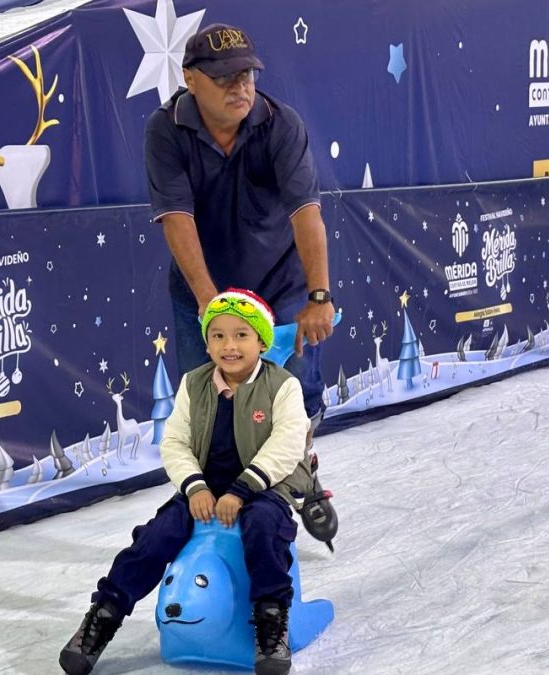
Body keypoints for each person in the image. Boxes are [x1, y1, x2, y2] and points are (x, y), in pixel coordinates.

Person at [143, 23, 337, 545]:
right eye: (225, 77)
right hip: (203, 294)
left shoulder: (280, 124)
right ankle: (210, 517)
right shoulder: (166, 129)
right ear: (190, 79)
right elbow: (177, 220)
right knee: (208, 407)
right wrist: (212, 307)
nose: (241, 86)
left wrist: (319, 295)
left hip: (282, 289)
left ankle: (299, 476)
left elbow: (306, 213)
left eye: (247, 74)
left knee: (295, 395)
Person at [59, 289, 314, 675]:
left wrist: (243, 489)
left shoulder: (282, 385)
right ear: (207, 343)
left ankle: (271, 620)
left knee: (264, 528)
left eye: (241, 335)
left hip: (265, 486)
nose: (229, 346)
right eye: (218, 336)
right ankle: (104, 615)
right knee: (155, 537)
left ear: (261, 341)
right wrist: (195, 486)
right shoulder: (194, 384)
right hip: (205, 486)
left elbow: (288, 443)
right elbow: (175, 442)